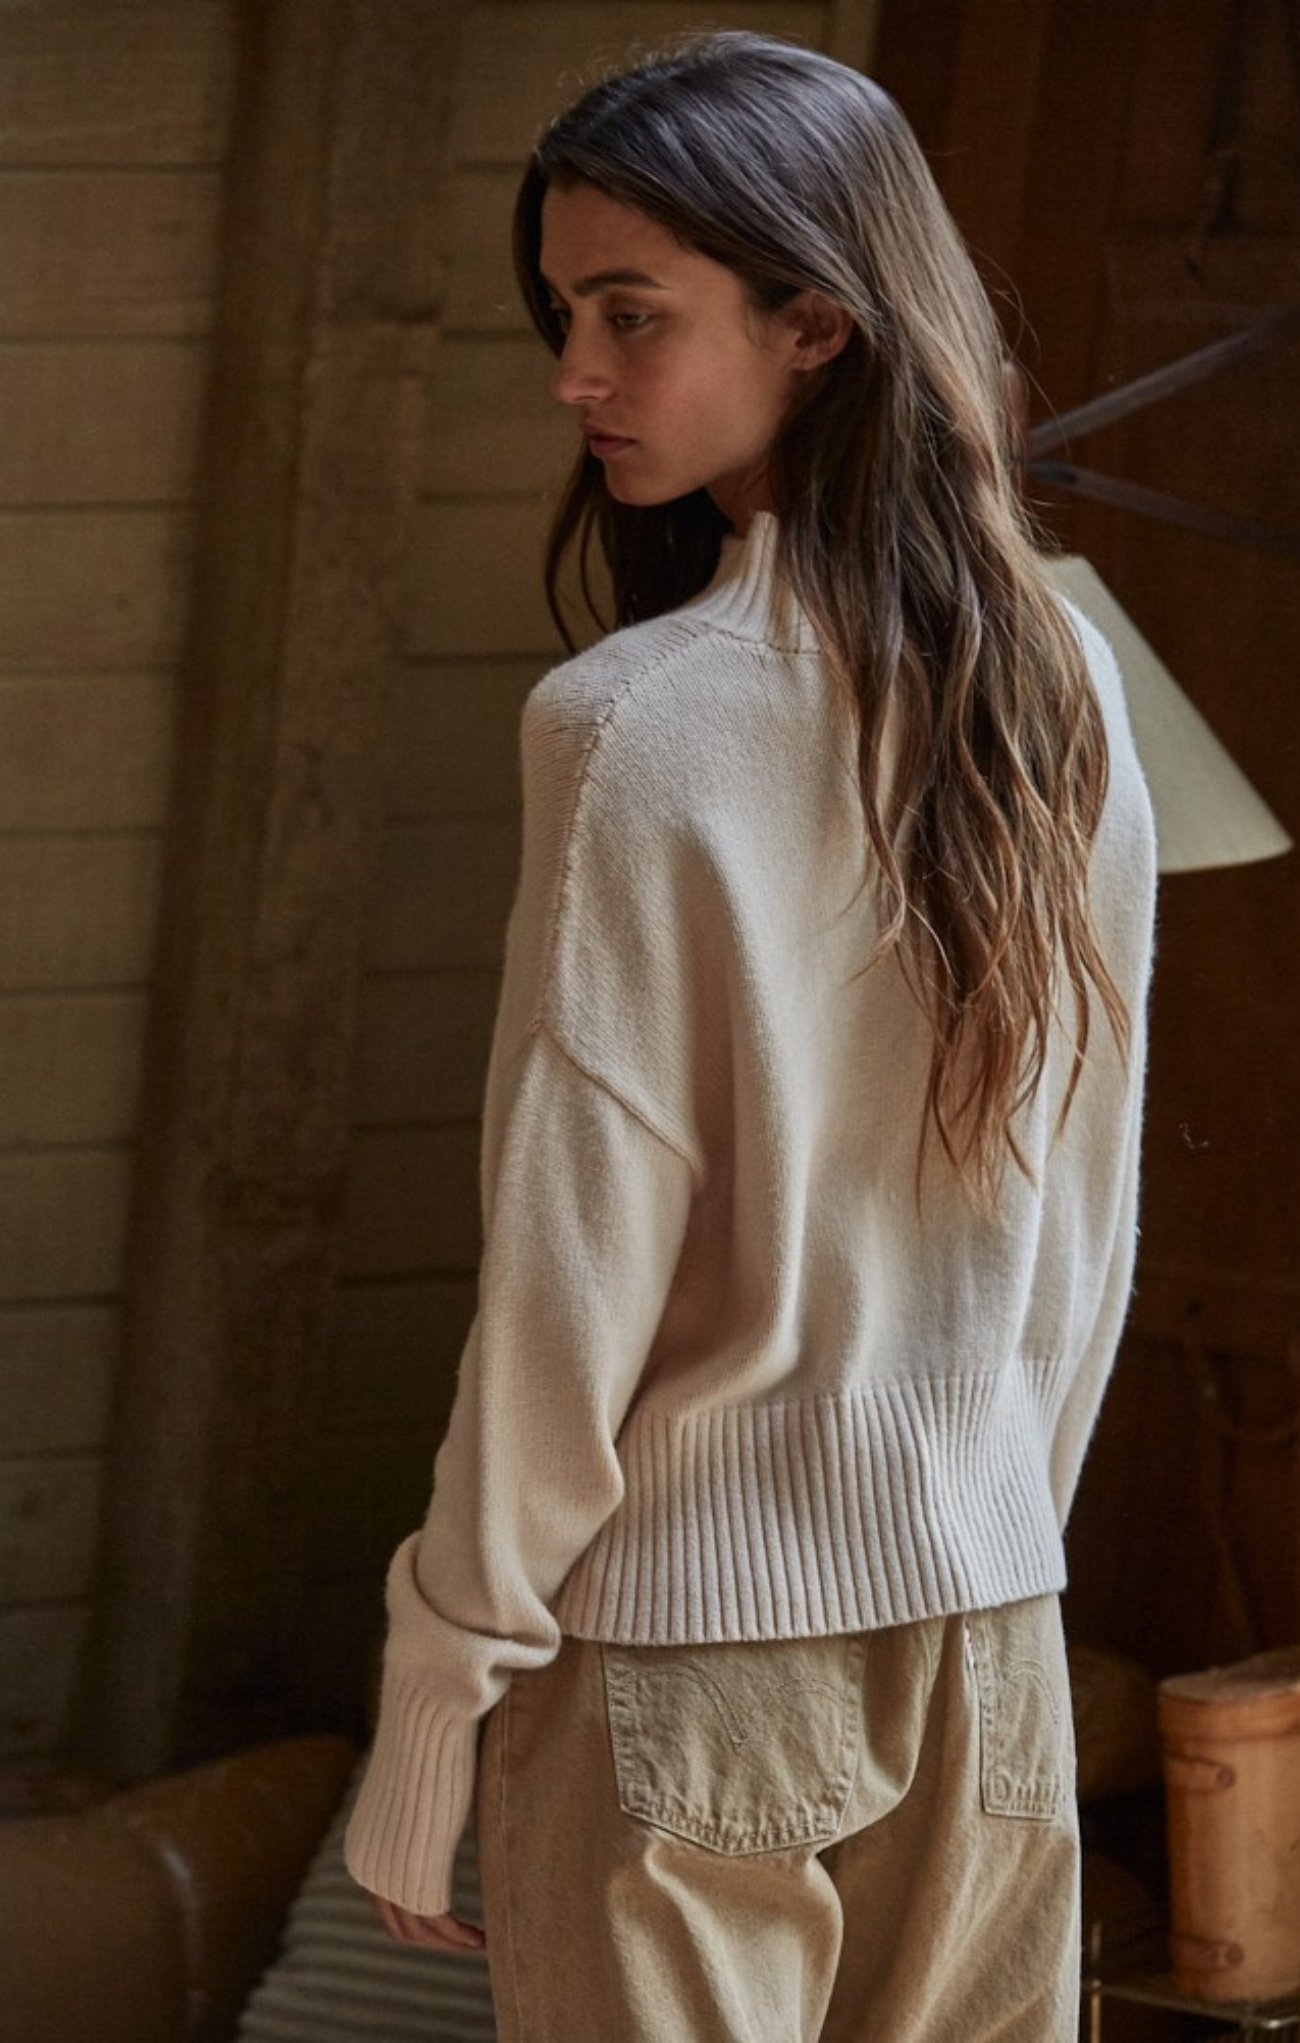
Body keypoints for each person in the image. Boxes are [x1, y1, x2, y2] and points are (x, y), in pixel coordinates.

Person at [345, 31, 1156, 2042]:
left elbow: (573, 1254)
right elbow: (1087, 1195)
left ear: (814, 322)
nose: (574, 377)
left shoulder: (633, 723)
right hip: (984, 1627)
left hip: (680, 1657)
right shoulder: (1068, 677)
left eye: (631, 313)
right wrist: (991, 1519)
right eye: (564, 314)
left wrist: (440, 1668)